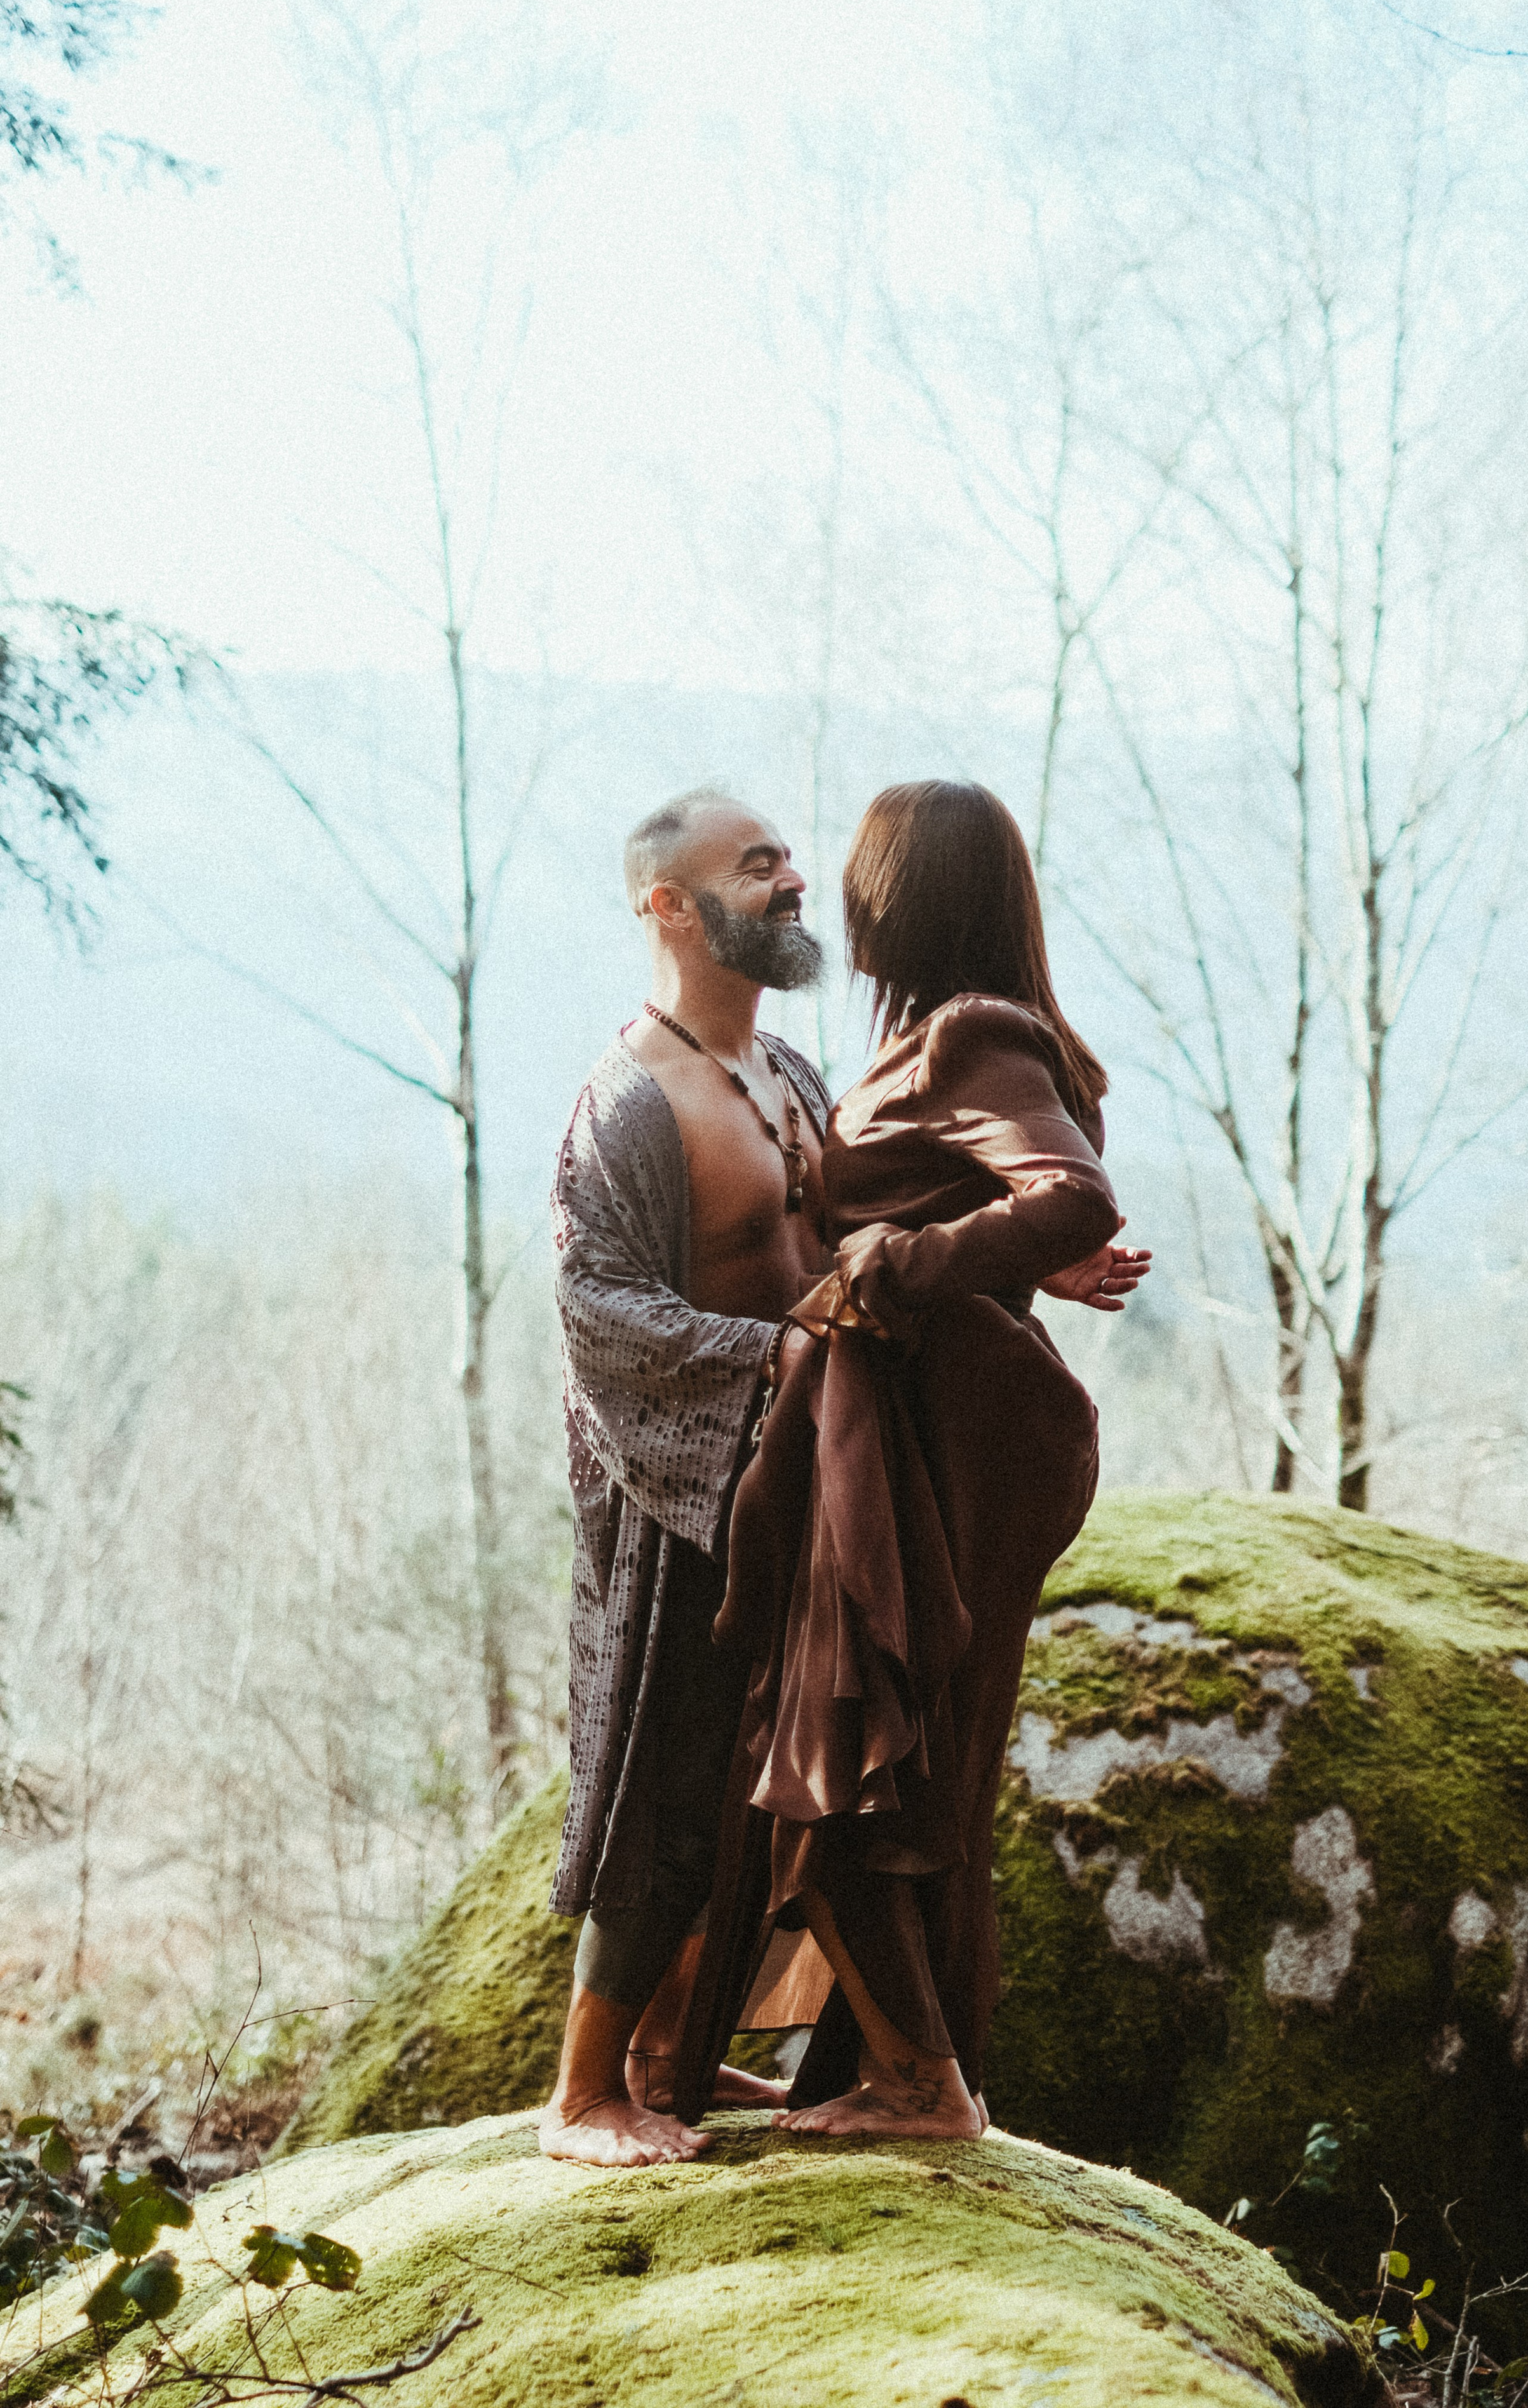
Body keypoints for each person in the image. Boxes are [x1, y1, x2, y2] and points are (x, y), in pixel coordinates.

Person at [673, 779, 1151, 2139]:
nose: (841, 898)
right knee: (896, 1757)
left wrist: (895, 1269)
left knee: (864, 1762)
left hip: (938, 1452)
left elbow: (1067, 1191)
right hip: (889, 1437)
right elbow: (1013, 1210)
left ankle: (922, 2089)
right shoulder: (934, 1042)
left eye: (864, 875)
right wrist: (1003, 1268)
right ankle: (870, 2072)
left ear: (913, 897)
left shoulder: (969, 1035)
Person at [535, 788, 835, 2169]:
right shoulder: (623, 1107)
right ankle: (584, 2096)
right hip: (675, 1496)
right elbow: (604, 1316)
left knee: (766, 1789)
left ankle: (676, 2054)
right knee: (662, 1782)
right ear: (665, 904)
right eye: (755, 864)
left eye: (785, 858)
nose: (790, 880)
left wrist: (1037, 1259)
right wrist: (775, 1358)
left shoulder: (792, 1079)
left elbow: (875, 1235)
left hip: (809, 1487)